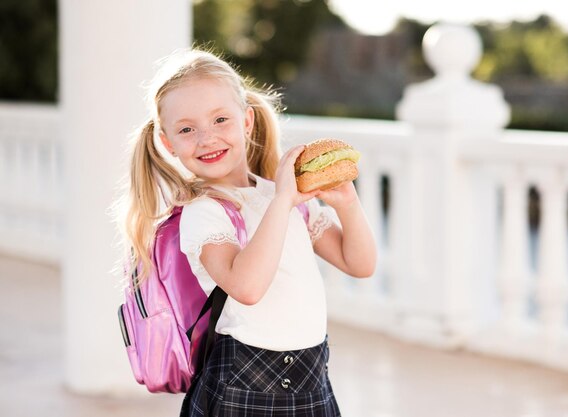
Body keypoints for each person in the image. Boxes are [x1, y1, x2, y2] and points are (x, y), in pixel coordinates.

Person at [120, 48, 377, 417]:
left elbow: (360, 263)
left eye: (220, 119)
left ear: (247, 121)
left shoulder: (280, 195)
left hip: (311, 374)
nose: (206, 138)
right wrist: (284, 200)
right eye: (187, 129)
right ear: (167, 142)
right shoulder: (204, 211)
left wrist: (347, 204)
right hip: (244, 381)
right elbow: (248, 287)